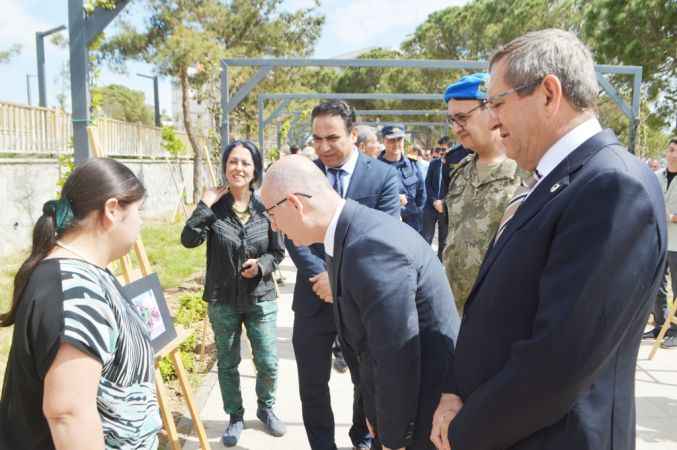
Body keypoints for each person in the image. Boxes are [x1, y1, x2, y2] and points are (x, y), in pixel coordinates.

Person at [430, 29, 667, 450]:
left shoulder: (611, 186)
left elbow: (559, 361)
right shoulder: (557, 179)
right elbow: (500, 311)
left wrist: (465, 432)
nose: (494, 118)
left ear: (548, 93)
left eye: (498, 102)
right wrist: (455, 390)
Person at [261, 155, 460, 450]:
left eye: (272, 214)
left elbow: (395, 355)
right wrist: (374, 413)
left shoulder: (371, 248)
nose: (275, 226)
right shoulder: (348, 233)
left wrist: (393, 435)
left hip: (422, 418)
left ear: (294, 204)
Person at [0, 158, 161, 450]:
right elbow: (68, 414)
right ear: (112, 210)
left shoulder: (84, 274)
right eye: (139, 211)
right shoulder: (76, 290)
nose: (141, 222)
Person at [285, 100, 401, 450]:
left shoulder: (381, 176)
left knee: (365, 379)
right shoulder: (303, 175)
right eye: (317, 139)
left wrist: (338, 279)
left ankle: (362, 439)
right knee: (312, 383)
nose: (323, 147)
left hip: (360, 298)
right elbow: (290, 231)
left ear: (353, 134)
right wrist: (319, 274)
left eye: (332, 138)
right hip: (313, 295)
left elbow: (384, 237)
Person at [181, 140, 286, 447]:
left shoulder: (267, 206)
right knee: (227, 362)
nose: (238, 168)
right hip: (223, 298)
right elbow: (188, 240)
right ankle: (235, 416)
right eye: (233, 162)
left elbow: (277, 252)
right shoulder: (214, 208)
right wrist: (204, 204)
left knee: (267, 360)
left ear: (254, 170)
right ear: (225, 166)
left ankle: (266, 408)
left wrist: (262, 266)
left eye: (245, 163)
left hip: (260, 296)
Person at [441, 73, 522, 313]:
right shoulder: (460, 172)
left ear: (493, 110)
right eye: (452, 120)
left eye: (462, 118)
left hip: (501, 313)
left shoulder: (525, 172)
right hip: (455, 312)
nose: (456, 129)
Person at [646, 137, 677, 348]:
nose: (674, 154)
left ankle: (674, 330)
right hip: (657, 239)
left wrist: (672, 217)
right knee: (657, 286)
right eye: (671, 150)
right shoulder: (655, 176)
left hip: (676, 243)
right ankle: (659, 325)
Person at [378, 124, 427, 233]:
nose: (396, 144)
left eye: (399, 139)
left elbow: (422, 196)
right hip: (385, 227)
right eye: (391, 140)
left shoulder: (413, 165)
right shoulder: (374, 167)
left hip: (411, 226)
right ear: (384, 141)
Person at [421, 151, 448, 260]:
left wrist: (443, 202)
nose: (443, 152)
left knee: (443, 239)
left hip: (445, 207)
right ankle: (424, 262)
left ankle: (440, 263)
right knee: (426, 237)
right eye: (440, 150)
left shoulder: (453, 164)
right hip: (430, 206)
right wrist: (433, 201)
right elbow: (427, 183)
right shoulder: (434, 163)